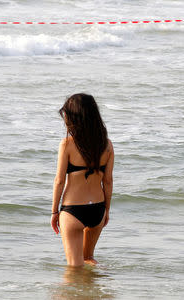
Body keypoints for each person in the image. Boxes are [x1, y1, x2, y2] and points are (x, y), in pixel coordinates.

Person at [51, 93, 114, 266]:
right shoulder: (107, 145)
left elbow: (59, 180)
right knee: (88, 259)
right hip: (98, 209)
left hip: (73, 210)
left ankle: (78, 293)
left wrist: (54, 212)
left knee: (74, 268)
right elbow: (108, 181)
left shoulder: (67, 144)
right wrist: (106, 211)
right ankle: (97, 289)